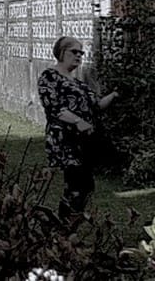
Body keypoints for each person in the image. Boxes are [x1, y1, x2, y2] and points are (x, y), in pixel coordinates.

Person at [37, 36, 118, 222]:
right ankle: (63, 226)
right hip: (65, 140)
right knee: (77, 184)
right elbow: (53, 107)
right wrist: (77, 121)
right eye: (74, 51)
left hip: (85, 142)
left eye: (81, 52)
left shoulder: (78, 83)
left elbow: (96, 106)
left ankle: (64, 225)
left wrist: (114, 95)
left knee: (86, 186)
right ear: (61, 52)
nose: (79, 55)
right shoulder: (49, 77)